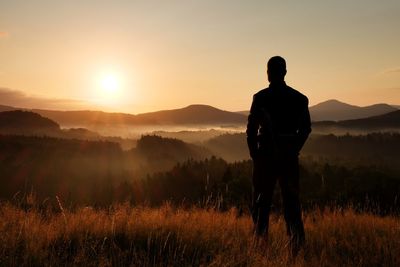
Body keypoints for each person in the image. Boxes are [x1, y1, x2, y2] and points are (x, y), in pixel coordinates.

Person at [246, 56, 311, 255]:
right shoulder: (299, 99)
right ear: (284, 72)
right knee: (292, 205)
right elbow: (306, 129)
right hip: (288, 159)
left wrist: (256, 156)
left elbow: (250, 131)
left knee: (261, 204)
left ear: (268, 73)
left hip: (265, 159)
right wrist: (293, 149)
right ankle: (296, 250)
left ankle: (259, 248)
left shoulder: (261, 98)